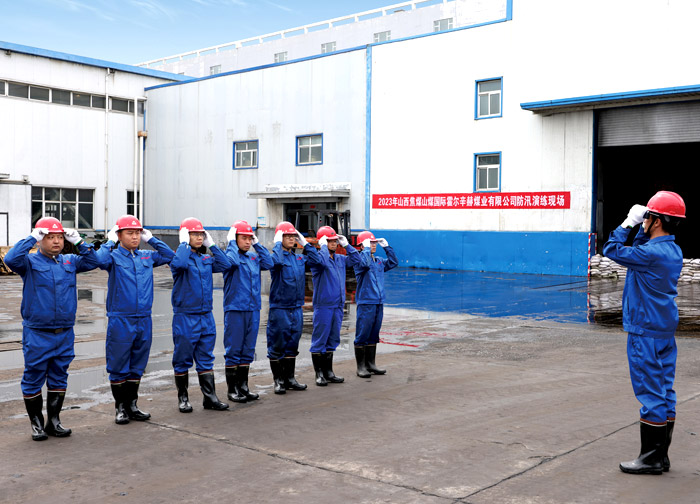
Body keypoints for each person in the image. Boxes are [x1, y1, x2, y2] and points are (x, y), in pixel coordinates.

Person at [603, 191, 686, 475]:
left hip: (644, 331)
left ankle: (650, 459)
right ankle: (661, 456)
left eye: (648, 217)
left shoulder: (649, 254)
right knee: (665, 390)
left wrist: (628, 223)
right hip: (663, 329)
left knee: (650, 392)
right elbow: (641, 249)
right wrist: (643, 226)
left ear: (657, 221)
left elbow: (611, 249)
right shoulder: (672, 251)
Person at [5, 217, 99, 441]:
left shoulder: (70, 261)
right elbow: (10, 259)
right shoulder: (29, 263)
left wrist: (80, 242)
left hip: (64, 332)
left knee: (59, 376)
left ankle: (54, 422)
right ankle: (36, 424)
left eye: (59, 237)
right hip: (38, 333)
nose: (56, 241)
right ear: (40, 240)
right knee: (33, 377)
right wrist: (31, 238)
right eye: (50, 237)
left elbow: (94, 261)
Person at [96, 215, 175, 424]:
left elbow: (170, 256)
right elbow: (98, 260)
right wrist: (109, 241)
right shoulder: (113, 257)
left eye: (138, 233)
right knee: (118, 364)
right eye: (129, 233)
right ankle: (120, 408)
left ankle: (132, 405)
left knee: (138, 364)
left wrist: (152, 239)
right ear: (119, 235)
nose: (135, 237)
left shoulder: (146, 257)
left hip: (144, 319)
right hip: (121, 319)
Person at [170, 217, 230, 413]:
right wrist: (183, 244)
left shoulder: (205, 259)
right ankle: (183, 398)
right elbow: (179, 264)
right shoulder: (180, 258)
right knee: (182, 358)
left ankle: (210, 398)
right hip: (185, 316)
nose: (198, 237)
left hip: (206, 316)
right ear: (185, 236)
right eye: (194, 234)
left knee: (206, 357)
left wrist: (212, 245)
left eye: (201, 234)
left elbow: (226, 264)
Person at [267, 221, 321, 394]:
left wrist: (305, 243)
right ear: (279, 238)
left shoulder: (298, 258)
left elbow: (317, 260)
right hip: (280, 308)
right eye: (287, 236)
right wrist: (277, 244)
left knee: (292, 344)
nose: (291, 239)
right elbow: (276, 262)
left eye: (293, 236)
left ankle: (290, 379)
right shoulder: (275, 257)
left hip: (296, 308)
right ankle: (278, 381)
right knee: (277, 345)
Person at [222, 220, 273, 403]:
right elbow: (232, 262)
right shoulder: (229, 256)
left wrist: (258, 244)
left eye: (250, 238)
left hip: (253, 309)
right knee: (234, 349)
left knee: (248, 349)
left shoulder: (253, 258)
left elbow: (269, 263)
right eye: (243, 238)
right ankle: (232, 389)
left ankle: (243, 386)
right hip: (236, 309)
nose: (247, 242)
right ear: (235, 239)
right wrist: (231, 243)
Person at [308, 226, 360, 386]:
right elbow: (322, 262)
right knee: (320, 339)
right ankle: (319, 374)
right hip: (323, 305)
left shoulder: (340, 259)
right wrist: (323, 246)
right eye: (330, 240)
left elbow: (357, 260)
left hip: (337, 305)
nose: (334, 243)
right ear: (323, 242)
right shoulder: (317, 259)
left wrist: (347, 245)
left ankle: (328, 372)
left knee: (333, 338)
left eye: (335, 240)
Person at [353, 231, 398, 378]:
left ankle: (370, 364)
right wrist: (366, 249)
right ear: (362, 245)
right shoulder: (359, 260)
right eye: (370, 243)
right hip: (366, 302)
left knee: (374, 333)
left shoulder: (378, 261)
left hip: (378, 302)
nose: (373, 245)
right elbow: (365, 264)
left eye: (374, 243)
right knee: (363, 334)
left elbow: (393, 263)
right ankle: (361, 367)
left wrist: (387, 247)